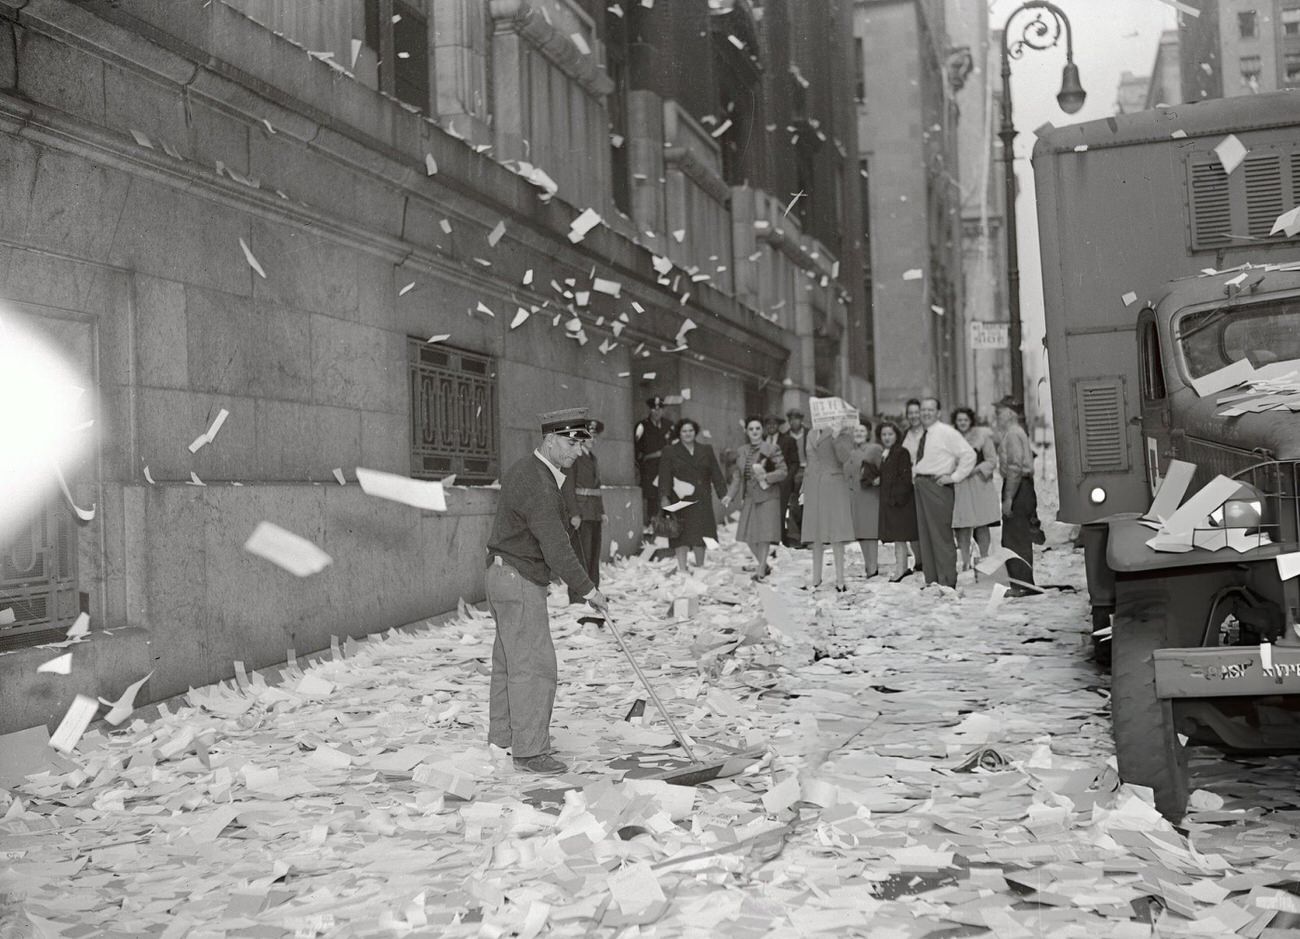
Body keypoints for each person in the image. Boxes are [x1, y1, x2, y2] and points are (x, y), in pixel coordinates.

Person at [485, 408, 608, 776]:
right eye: (571, 443)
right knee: (535, 667)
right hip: (519, 580)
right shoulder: (538, 482)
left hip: (502, 576)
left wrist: (585, 580)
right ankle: (530, 751)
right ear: (550, 440)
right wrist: (588, 590)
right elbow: (554, 543)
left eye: (581, 444)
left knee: (509, 663)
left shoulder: (534, 471)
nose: (577, 452)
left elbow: (562, 537)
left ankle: (504, 738)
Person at [911, 397, 976, 589]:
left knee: (941, 536)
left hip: (937, 486)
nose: (926, 413)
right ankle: (932, 580)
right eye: (923, 410)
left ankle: (947, 581)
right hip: (922, 485)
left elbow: (969, 455)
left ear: (938, 412)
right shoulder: (923, 434)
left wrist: (954, 477)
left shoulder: (947, 432)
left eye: (930, 410)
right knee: (926, 536)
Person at [658, 418, 728, 574]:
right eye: (684, 431)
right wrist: (664, 496)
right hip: (680, 500)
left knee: (701, 533)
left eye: (690, 430)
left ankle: (700, 567)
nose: (687, 434)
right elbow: (664, 476)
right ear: (679, 433)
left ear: (695, 432)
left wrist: (723, 494)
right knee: (680, 534)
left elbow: (716, 473)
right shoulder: (670, 451)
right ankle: (682, 568)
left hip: (701, 499)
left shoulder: (706, 450)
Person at [724, 417, 788, 581]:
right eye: (751, 429)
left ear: (762, 431)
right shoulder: (741, 451)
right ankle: (764, 565)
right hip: (750, 497)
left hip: (768, 496)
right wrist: (729, 495)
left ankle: (760, 571)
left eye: (757, 428)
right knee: (748, 536)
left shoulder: (772, 449)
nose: (754, 432)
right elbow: (737, 477)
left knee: (764, 535)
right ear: (746, 431)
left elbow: (783, 471)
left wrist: (766, 476)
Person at [800, 413, 856, 591]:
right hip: (813, 485)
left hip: (833, 485)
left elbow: (844, 458)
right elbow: (810, 462)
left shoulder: (844, 431)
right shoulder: (810, 433)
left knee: (836, 532)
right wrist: (803, 488)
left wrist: (836, 435)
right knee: (816, 532)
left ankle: (840, 579)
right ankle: (816, 578)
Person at [996, 396, 1038, 595]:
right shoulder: (1015, 432)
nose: (998, 415)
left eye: (1001, 411)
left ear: (1011, 414)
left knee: (1015, 539)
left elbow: (1015, 466)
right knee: (1017, 538)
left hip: (1018, 486)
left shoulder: (1012, 434)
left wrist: (1009, 497)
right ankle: (1022, 583)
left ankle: (1022, 586)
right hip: (1023, 485)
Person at [561, 419, 607, 604]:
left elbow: (596, 487)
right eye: (589, 435)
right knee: (581, 557)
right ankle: (578, 598)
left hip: (593, 513)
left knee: (593, 557)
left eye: (594, 435)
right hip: (581, 513)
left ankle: (592, 595)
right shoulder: (573, 457)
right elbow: (568, 486)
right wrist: (574, 513)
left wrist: (602, 511)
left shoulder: (592, 458)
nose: (592, 439)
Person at [950, 406, 1000, 574]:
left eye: (965, 420)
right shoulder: (951, 438)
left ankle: (984, 559)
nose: (962, 423)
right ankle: (965, 562)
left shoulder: (982, 437)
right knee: (962, 524)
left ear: (971, 421)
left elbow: (992, 460)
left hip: (979, 485)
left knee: (981, 523)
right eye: (959, 420)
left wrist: (977, 469)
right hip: (960, 486)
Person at [877, 421, 919, 581]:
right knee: (897, 539)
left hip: (900, 503)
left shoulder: (901, 452)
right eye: (884, 434)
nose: (887, 437)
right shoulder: (886, 453)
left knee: (900, 538)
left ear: (897, 436)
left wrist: (896, 499)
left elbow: (904, 478)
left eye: (890, 434)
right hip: (891, 502)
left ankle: (901, 569)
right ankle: (900, 567)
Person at [843, 417, 884, 578]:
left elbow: (884, 469)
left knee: (870, 532)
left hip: (869, 495)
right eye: (855, 431)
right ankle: (869, 566)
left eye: (861, 431)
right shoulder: (847, 450)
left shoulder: (874, 449)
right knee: (860, 532)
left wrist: (879, 480)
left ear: (867, 433)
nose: (858, 433)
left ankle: (873, 567)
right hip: (853, 495)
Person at [634, 396, 674, 534]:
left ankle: (666, 527)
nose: (657, 412)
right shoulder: (642, 426)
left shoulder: (669, 426)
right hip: (649, 469)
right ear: (650, 410)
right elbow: (636, 449)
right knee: (651, 498)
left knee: (666, 495)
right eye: (654, 409)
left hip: (666, 469)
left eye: (660, 409)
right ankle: (651, 526)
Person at [763, 414, 800, 542]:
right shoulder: (761, 440)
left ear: (778, 426)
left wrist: (787, 479)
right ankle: (767, 539)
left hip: (782, 482)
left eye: (774, 424)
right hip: (765, 482)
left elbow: (795, 463)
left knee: (780, 510)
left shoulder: (788, 441)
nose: (771, 427)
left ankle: (780, 538)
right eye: (768, 424)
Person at [899, 398, 924, 572]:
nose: (914, 416)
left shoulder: (929, 432)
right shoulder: (903, 435)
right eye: (911, 413)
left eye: (916, 412)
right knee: (912, 523)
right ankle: (919, 559)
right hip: (909, 483)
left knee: (927, 522)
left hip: (927, 481)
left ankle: (930, 557)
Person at [783, 408, 809, 546]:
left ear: (801, 420)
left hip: (809, 469)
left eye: (796, 419)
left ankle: (808, 534)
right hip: (793, 472)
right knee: (793, 503)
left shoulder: (809, 433)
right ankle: (795, 536)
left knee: (808, 504)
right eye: (791, 419)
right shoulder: (785, 436)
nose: (794, 422)